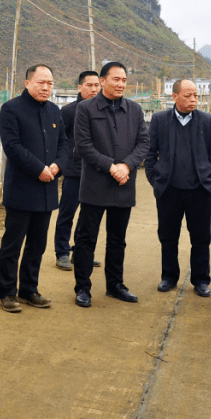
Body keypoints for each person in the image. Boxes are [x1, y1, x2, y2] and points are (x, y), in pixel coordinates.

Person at [72, 61, 150, 308]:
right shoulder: (85, 109)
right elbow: (83, 145)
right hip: (95, 184)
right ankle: (83, 287)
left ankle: (115, 284)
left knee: (118, 239)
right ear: (103, 81)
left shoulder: (135, 110)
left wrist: (126, 165)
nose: (121, 84)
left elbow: (143, 143)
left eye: (124, 80)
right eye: (116, 79)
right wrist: (110, 166)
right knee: (86, 238)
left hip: (123, 184)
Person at [0, 64, 70, 312]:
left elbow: (64, 144)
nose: (46, 87)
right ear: (27, 82)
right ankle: (7, 292)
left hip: (47, 190)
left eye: (50, 83)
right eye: (41, 82)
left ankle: (29, 289)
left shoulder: (54, 111)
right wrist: (39, 168)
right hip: (22, 188)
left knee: (37, 245)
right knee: (12, 244)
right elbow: (12, 146)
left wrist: (58, 165)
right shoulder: (11, 109)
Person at [144, 79, 211, 297]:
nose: (193, 100)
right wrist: (154, 178)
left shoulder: (206, 121)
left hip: (199, 190)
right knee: (168, 236)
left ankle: (200, 280)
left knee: (201, 238)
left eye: (196, 95)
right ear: (175, 96)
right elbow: (150, 153)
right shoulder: (159, 120)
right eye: (188, 95)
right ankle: (168, 277)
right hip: (169, 190)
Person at [53, 70, 102, 270]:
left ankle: (81, 253)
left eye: (96, 85)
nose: (93, 89)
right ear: (79, 87)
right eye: (88, 85)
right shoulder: (68, 111)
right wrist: (63, 165)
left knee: (88, 217)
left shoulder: (102, 110)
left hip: (96, 173)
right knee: (67, 213)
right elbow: (60, 141)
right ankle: (62, 252)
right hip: (74, 173)